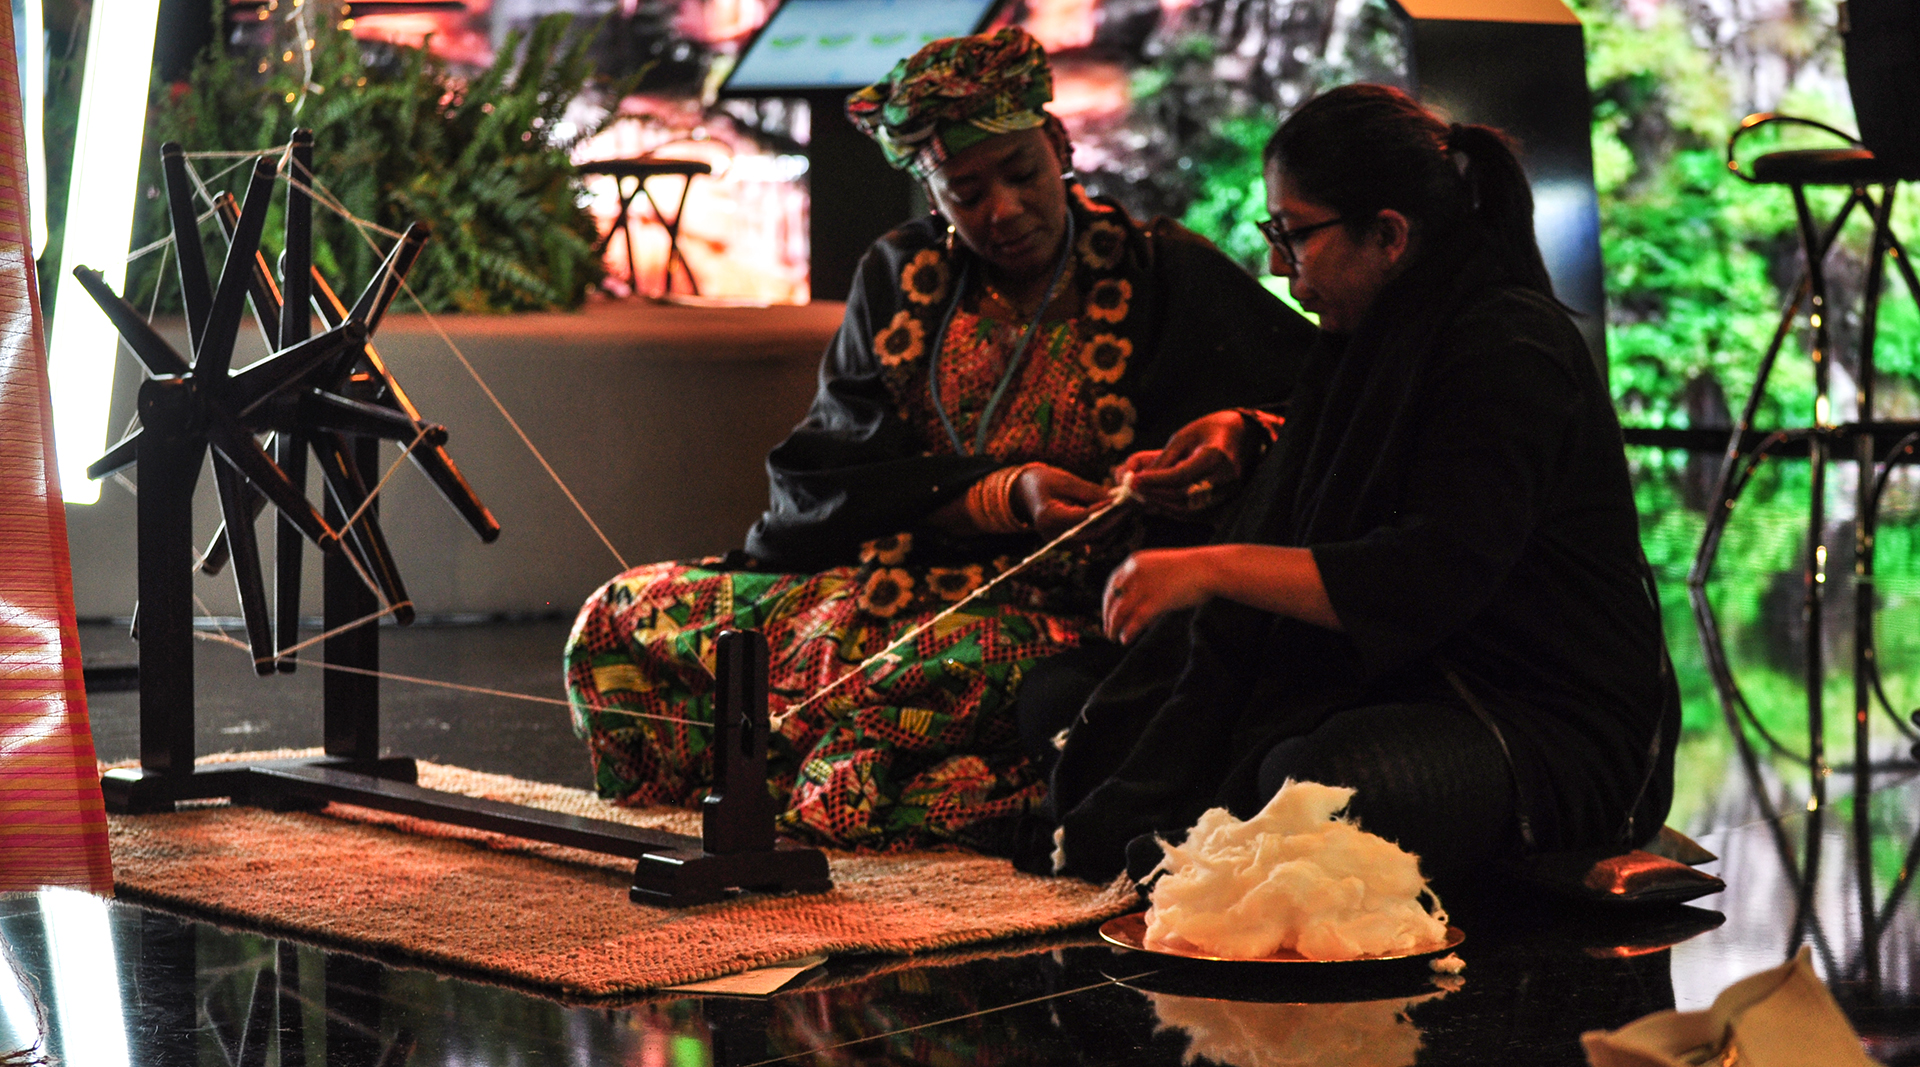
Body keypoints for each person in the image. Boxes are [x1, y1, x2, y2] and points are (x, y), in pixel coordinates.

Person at [565, 27, 1315, 853]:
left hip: (1060, 618)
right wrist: (1001, 493)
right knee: (621, 615)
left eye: (1022, 173)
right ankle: (874, 776)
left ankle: (856, 779)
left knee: (911, 676)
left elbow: (1317, 403)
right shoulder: (898, 277)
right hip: (893, 589)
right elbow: (818, 481)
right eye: (966, 190)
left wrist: (1239, 435)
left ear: (1059, 144)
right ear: (931, 194)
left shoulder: (1162, 270)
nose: (1002, 209)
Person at [1042, 84, 1679, 886]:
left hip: (1545, 723)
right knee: (1083, 702)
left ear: (1388, 235)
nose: (1278, 263)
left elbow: (1425, 574)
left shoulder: (1508, 343)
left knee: (1336, 782)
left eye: (1294, 233)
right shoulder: (1373, 336)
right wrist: (1245, 433)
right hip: (1420, 686)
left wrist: (1208, 567)